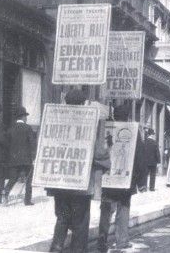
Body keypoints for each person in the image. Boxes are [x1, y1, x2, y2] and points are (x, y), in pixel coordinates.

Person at [47, 89, 111, 253]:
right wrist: (107, 153)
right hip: (80, 185)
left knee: (61, 218)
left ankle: (56, 248)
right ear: (83, 104)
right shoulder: (88, 122)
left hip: (58, 182)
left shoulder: (55, 119)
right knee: (80, 223)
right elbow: (99, 154)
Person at [97, 104, 147, 252]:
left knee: (106, 210)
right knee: (123, 209)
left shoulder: (105, 128)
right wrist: (141, 182)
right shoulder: (133, 131)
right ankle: (121, 241)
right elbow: (140, 157)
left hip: (107, 177)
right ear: (127, 117)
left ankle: (102, 240)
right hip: (126, 179)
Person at [1, 106, 36, 205]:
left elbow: (4, 141)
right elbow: (32, 143)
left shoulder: (11, 128)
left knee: (13, 178)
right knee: (29, 179)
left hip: (14, 158)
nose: (26, 118)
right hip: (26, 159)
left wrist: (11, 150)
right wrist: (33, 155)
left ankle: (6, 193)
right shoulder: (28, 128)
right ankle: (27, 200)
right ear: (23, 117)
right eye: (25, 116)